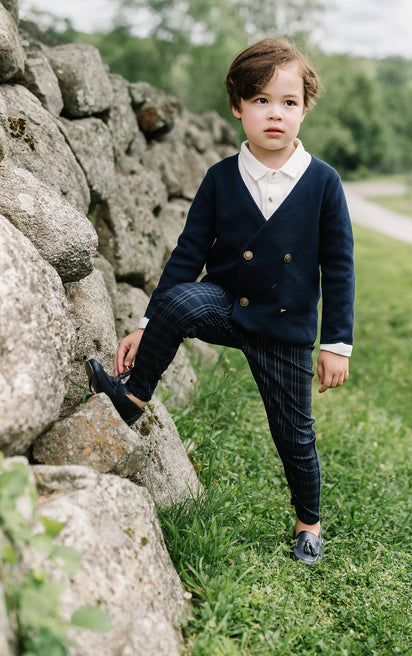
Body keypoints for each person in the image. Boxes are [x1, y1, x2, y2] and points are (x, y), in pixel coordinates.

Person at [86, 38, 355, 565]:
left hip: (286, 328)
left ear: (305, 107)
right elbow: (188, 254)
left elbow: (339, 267)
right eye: (260, 101)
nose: (274, 113)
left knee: (294, 435)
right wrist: (146, 325)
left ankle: (309, 525)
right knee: (181, 299)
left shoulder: (323, 183)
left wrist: (337, 343)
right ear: (237, 107)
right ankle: (135, 395)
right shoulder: (220, 179)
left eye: (288, 102)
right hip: (229, 305)